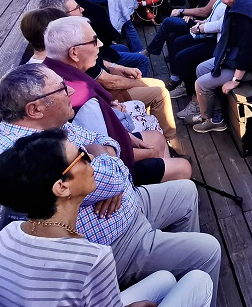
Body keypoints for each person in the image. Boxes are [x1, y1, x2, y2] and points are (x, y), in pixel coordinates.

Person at [0, 67, 228, 307]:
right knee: (207, 252)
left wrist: (105, 165)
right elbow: (112, 170)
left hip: (125, 208)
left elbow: (105, 146)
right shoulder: (23, 158)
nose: (71, 92)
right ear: (34, 108)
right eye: (61, 89)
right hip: (117, 241)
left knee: (185, 192)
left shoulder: (51, 131)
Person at [42, 19, 190, 184]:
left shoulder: (51, 72)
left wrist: (126, 135)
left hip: (106, 148)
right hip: (110, 174)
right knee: (184, 167)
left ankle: (162, 179)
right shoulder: (81, 100)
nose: (100, 43)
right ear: (74, 53)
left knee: (156, 137)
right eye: (93, 41)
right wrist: (149, 153)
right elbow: (105, 157)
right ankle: (155, 194)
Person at [189, 0, 252, 134]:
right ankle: (216, 113)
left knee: (201, 83)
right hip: (236, 58)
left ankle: (209, 120)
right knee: (200, 69)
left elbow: (247, 50)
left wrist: (235, 80)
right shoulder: (238, 2)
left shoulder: (244, 14)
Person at [41, 0, 150, 76]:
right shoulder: (73, 38)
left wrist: (116, 67)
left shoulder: (56, 35)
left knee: (122, 48)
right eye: (77, 8)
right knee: (142, 60)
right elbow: (102, 76)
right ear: (62, 14)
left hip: (101, 60)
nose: (82, 9)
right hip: (101, 68)